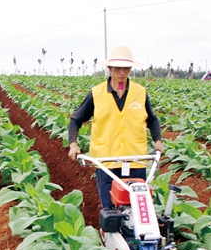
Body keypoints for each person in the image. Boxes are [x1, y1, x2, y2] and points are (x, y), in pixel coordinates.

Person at [67, 45, 164, 209]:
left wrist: (158, 140)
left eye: (126, 68)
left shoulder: (140, 92)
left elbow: (152, 120)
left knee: (137, 210)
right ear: (110, 67)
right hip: (107, 163)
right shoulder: (96, 94)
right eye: (118, 68)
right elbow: (75, 120)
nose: (122, 73)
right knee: (110, 209)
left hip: (136, 161)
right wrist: (73, 144)